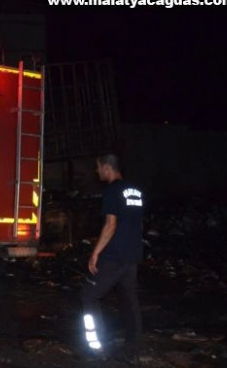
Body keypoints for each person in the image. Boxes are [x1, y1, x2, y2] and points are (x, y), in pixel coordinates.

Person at [80, 154, 144, 365]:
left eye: (98, 167)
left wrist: (95, 252)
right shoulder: (135, 190)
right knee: (130, 301)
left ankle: (98, 348)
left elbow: (110, 225)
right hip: (132, 255)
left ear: (107, 168)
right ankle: (132, 351)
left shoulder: (112, 191)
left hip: (114, 255)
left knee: (88, 296)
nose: (96, 172)